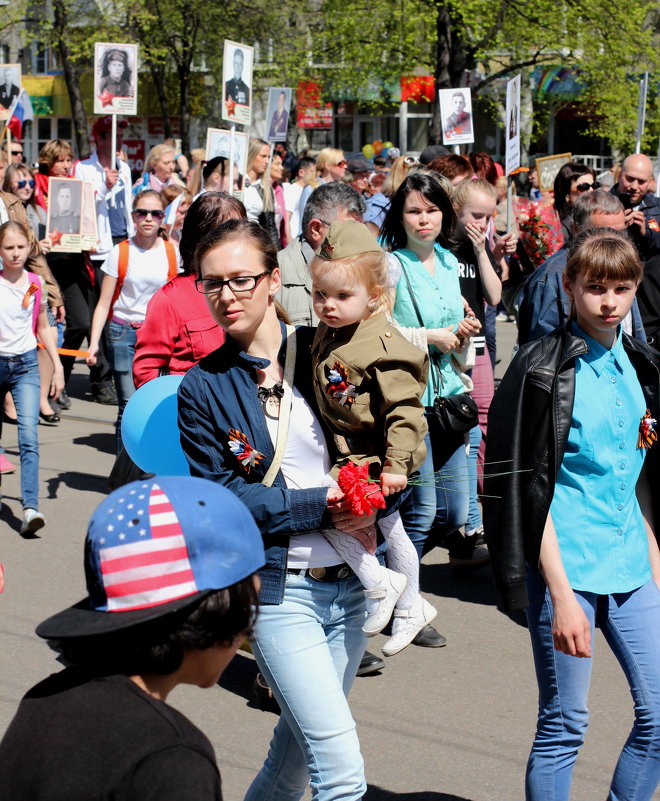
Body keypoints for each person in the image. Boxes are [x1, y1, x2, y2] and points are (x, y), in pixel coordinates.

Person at [178, 219, 373, 800]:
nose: (227, 295)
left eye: (241, 279)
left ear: (272, 281)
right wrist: (321, 505)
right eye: (212, 283)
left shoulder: (327, 348)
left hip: (354, 585)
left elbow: (384, 440)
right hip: (279, 594)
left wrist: (383, 491)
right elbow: (222, 498)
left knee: (293, 761)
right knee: (341, 771)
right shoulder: (204, 387)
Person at [484, 227, 660, 801]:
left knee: (659, 719)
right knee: (565, 725)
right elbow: (521, 492)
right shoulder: (539, 367)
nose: (608, 301)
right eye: (594, 288)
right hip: (567, 566)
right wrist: (559, 595)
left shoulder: (641, 360)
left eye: (621, 288)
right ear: (569, 286)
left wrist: (655, 555)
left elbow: (639, 471)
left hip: (633, 560)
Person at [0, 475, 265, 801]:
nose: (245, 634)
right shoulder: (172, 760)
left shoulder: (45, 698)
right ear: (214, 613)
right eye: (248, 613)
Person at [310, 221, 437, 655]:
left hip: (378, 461)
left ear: (374, 297)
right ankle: (410, 608)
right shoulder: (336, 330)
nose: (328, 306)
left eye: (342, 296)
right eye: (319, 295)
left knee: (325, 513)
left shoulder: (384, 346)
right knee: (394, 530)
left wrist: (397, 466)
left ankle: (379, 582)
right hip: (355, 454)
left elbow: (406, 412)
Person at [381, 172, 483, 572]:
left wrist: (463, 333)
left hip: (450, 396)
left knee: (456, 513)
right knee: (422, 512)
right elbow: (381, 331)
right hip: (410, 398)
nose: (424, 219)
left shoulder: (449, 260)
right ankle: (406, 603)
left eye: (432, 210)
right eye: (414, 211)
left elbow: (455, 336)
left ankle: (390, 579)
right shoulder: (390, 264)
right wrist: (429, 337)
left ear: (445, 214)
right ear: (400, 217)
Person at [86, 190, 179, 452]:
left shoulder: (173, 253)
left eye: (155, 213)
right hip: (123, 333)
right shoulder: (121, 252)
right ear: (133, 216)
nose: (148, 219)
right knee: (128, 403)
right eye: (142, 213)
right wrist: (93, 344)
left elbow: (178, 299)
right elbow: (104, 303)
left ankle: (148, 462)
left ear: (163, 218)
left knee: (155, 403)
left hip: (159, 336)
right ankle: (124, 473)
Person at [133, 192, 244, 387]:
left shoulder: (251, 286)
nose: (240, 241)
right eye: (229, 234)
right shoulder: (169, 299)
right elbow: (147, 374)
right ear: (201, 238)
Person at [40, 138, 116, 406]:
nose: (64, 165)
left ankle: (58, 382)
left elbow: (87, 219)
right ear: (48, 162)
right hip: (49, 267)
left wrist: (89, 236)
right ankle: (54, 383)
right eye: (58, 159)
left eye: (68, 159)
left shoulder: (77, 187)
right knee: (63, 326)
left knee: (83, 324)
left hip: (76, 263)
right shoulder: (39, 188)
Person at [517, 190, 646, 346]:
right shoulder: (551, 277)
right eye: (602, 233)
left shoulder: (624, 262)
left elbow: (634, 330)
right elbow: (541, 348)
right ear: (575, 229)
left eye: (620, 233)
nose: (613, 242)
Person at [0, 221, 64, 533]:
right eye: (8, 248)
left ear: (29, 248)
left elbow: (42, 326)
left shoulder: (35, 282)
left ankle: (30, 508)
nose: (15, 254)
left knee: (29, 437)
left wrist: (57, 365)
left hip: (25, 365)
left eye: (20, 247)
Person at [3, 163, 63, 424]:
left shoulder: (16, 205)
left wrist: (53, 292)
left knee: (51, 330)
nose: (27, 188)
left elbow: (35, 256)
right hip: (4, 289)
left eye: (30, 183)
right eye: (21, 183)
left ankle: (40, 397)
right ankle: (9, 399)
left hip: (29, 286)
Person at [276, 182, 365, 327]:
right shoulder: (274, 274)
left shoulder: (364, 267)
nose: (357, 238)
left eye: (360, 230)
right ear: (316, 229)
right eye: (348, 230)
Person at [611, 152, 660, 262]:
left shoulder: (658, 207)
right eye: (630, 179)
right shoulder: (600, 203)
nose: (634, 186)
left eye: (641, 181)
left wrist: (645, 233)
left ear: (651, 182)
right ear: (619, 175)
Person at [298, 147, 348, 226]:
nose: (345, 166)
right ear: (327, 165)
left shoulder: (342, 189)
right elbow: (303, 221)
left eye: (346, 163)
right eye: (341, 163)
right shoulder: (311, 189)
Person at [552, 162, 598, 243]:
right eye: (584, 187)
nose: (591, 191)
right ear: (566, 192)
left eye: (594, 185)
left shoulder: (600, 214)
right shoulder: (555, 225)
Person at [283, 155, 315, 240]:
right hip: (294, 240)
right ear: (301, 172)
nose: (315, 175)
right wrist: (289, 244)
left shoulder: (309, 189)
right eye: (312, 171)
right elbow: (287, 218)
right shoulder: (292, 190)